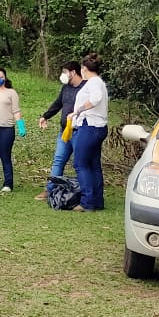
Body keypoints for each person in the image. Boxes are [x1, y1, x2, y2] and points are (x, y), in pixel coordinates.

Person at [36, 61, 84, 200]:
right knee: (58, 160)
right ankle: (50, 190)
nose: (63, 75)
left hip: (79, 132)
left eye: (65, 72)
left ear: (73, 72)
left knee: (80, 164)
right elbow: (58, 104)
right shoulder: (66, 88)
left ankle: (83, 192)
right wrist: (45, 116)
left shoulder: (85, 89)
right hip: (64, 132)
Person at [69, 53, 109, 212]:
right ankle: (97, 200)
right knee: (93, 164)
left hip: (90, 125)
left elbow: (95, 99)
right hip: (98, 127)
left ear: (84, 69)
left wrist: (78, 110)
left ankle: (87, 201)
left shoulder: (93, 82)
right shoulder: (99, 82)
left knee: (80, 163)